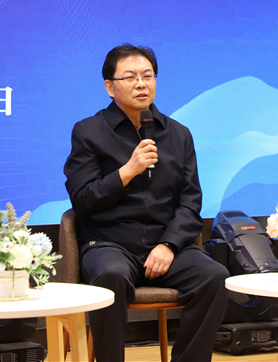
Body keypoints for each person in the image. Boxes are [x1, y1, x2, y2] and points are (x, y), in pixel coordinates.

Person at [63, 44, 229, 362]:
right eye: (130, 77)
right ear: (110, 86)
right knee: (110, 275)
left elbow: (190, 200)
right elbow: (82, 201)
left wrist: (168, 245)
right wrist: (127, 171)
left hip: (164, 246)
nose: (141, 84)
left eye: (148, 76)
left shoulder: (178, 134)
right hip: (110, 244)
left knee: (215, 276)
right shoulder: (89, 132)